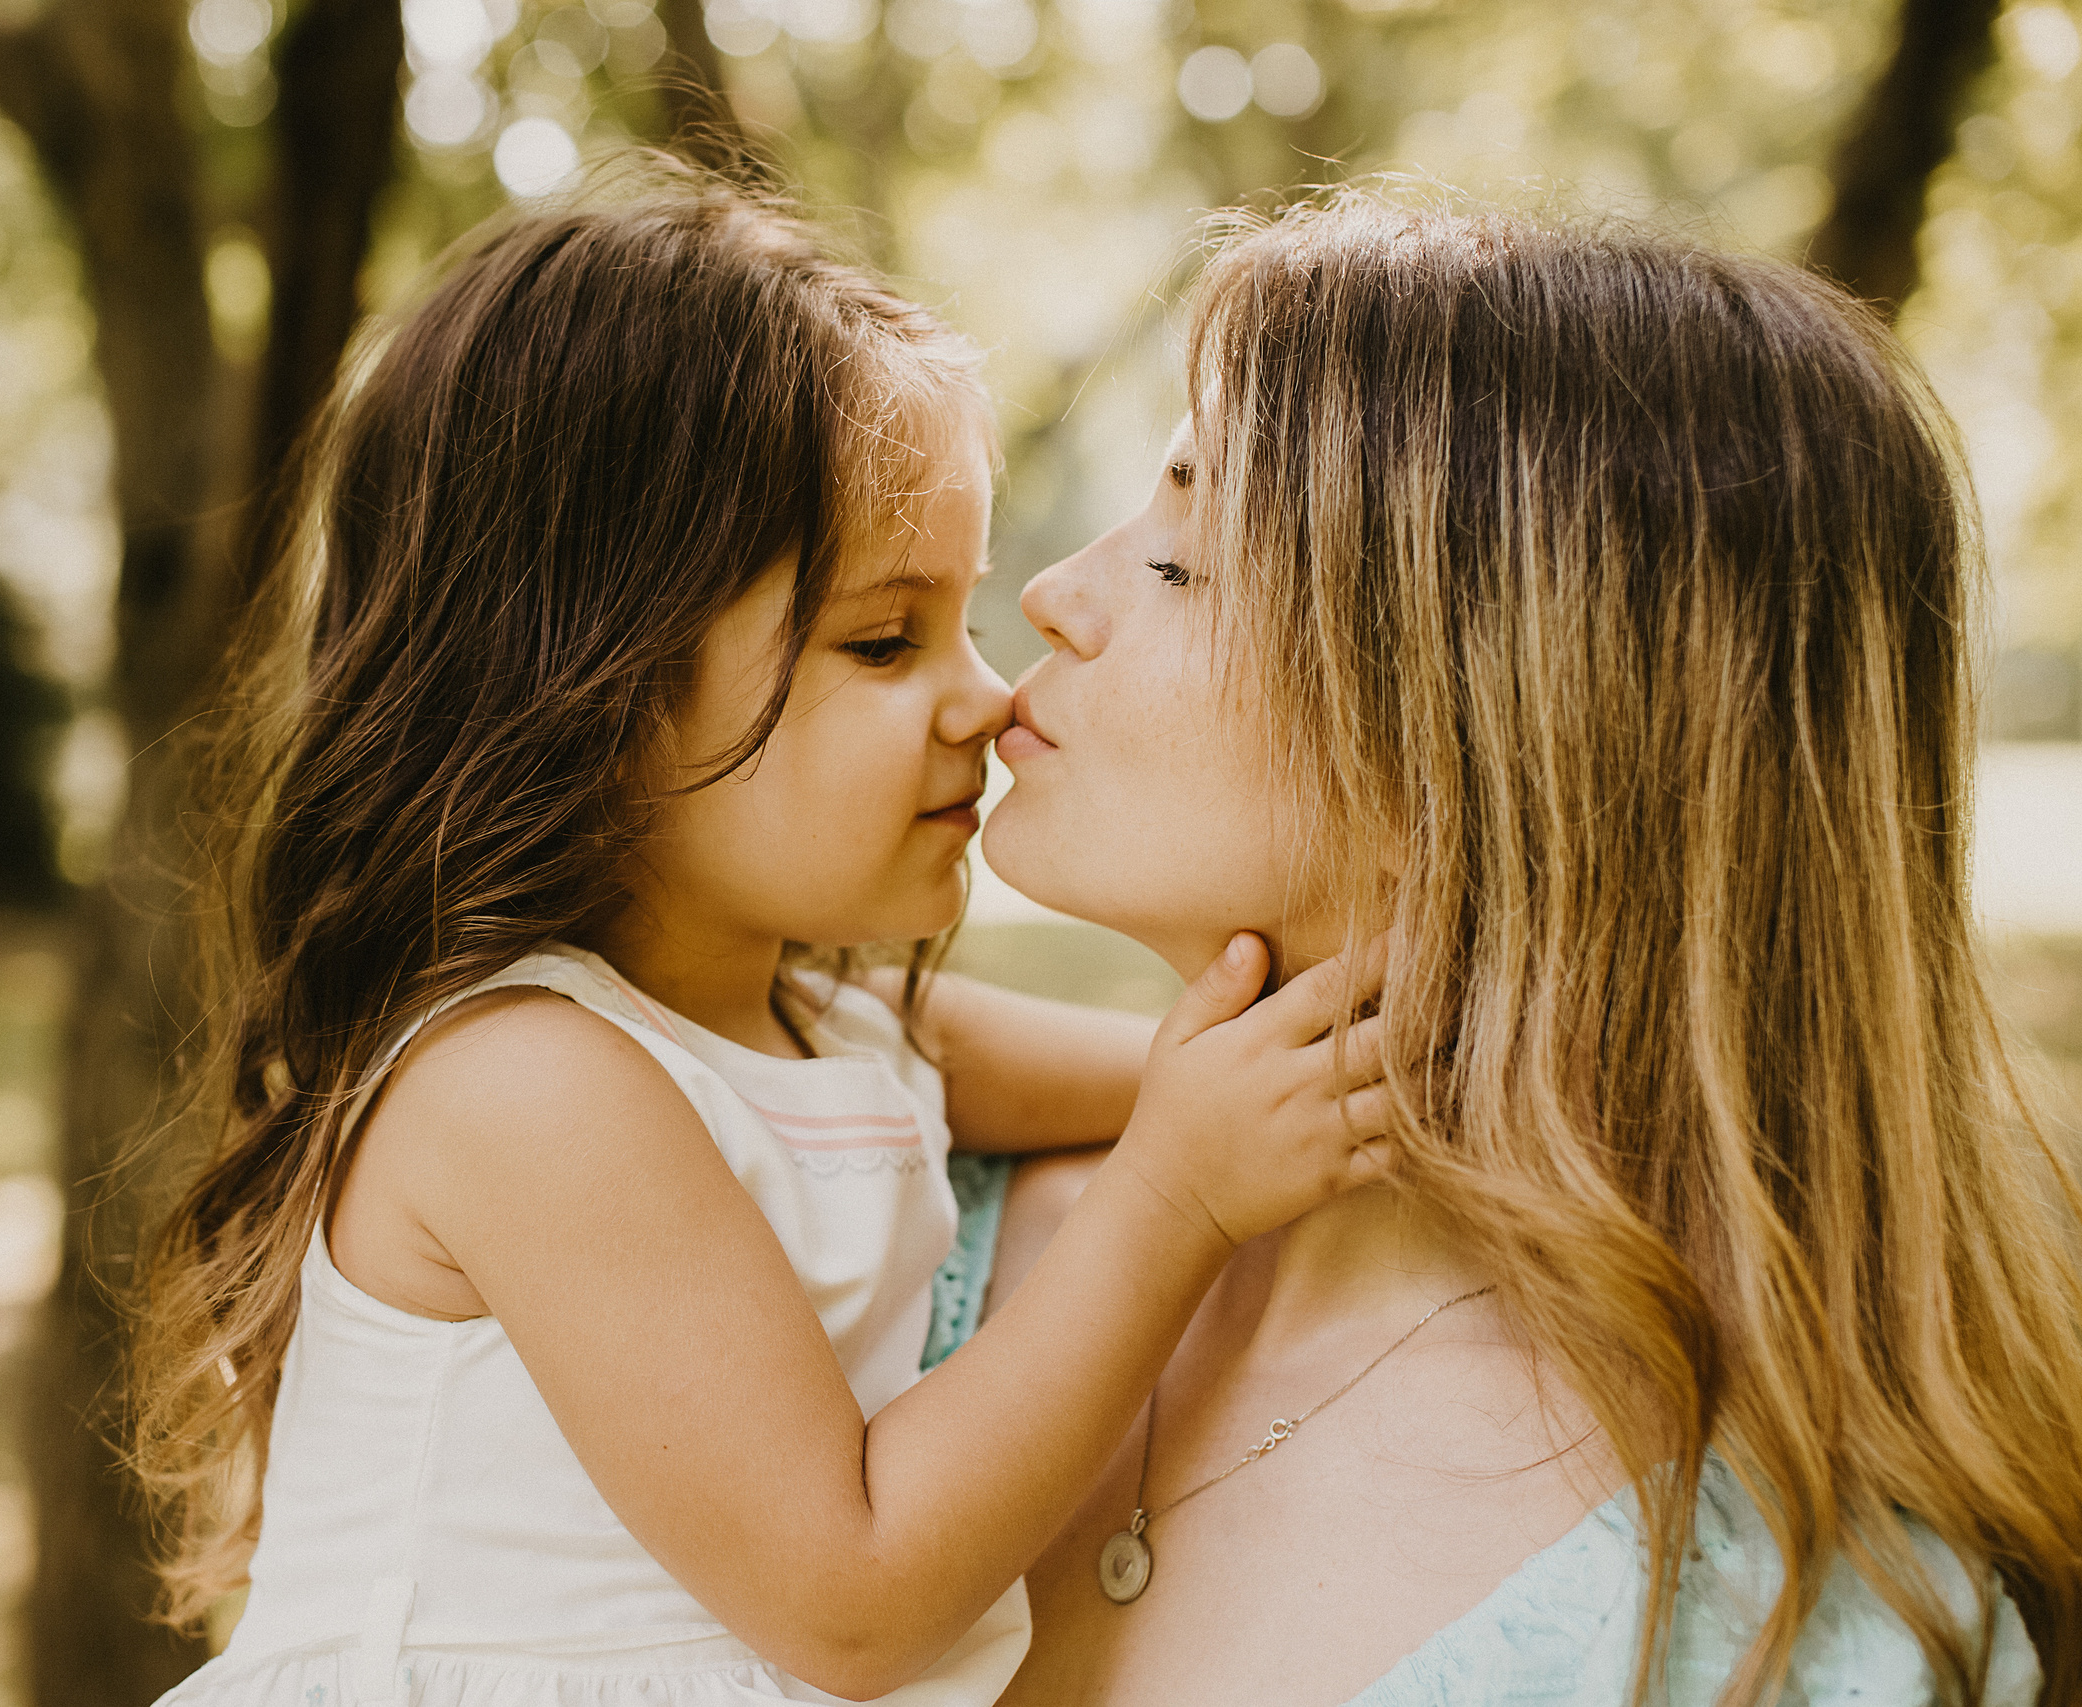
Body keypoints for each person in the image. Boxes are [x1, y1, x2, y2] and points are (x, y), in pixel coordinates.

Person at [126, 174, 1400, 1707]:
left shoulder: (828, 1023)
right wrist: (1181, 1198)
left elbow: (1159, 1082)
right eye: (884, 640)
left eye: (963, 621)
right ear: (588, 690)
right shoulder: (527, 1088)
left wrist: (1311, 1082)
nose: (983, 698)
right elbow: (854, 1600)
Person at [962, 194, 2080, 1705]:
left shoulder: (1794, 1629)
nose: (1053, 596)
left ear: (1478, 743)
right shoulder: (857, 1227)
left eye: (1181, 559)